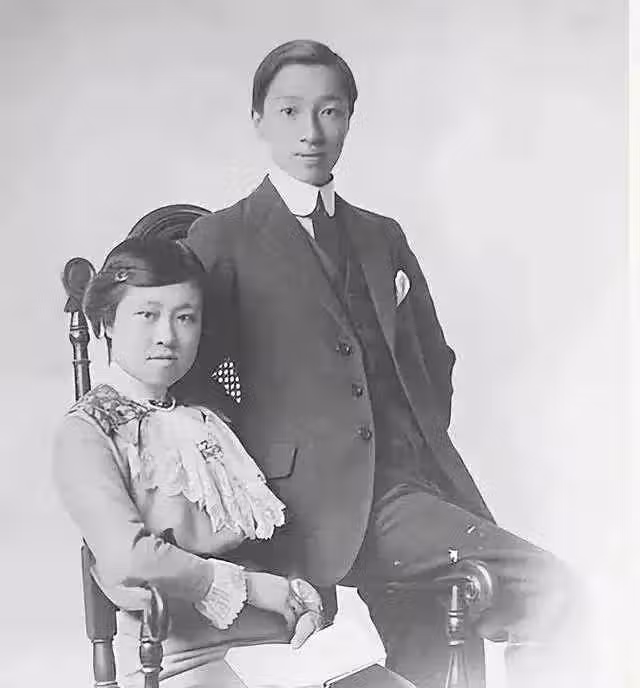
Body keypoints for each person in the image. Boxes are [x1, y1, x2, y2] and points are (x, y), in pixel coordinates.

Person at [182, 40, 588, 688]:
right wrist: (278, 467)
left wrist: (414, 438)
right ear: (258, 120)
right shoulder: (223, 238)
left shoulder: (381, 234)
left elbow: (435, 355)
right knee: (553, 589)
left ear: (350, 118)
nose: (311, 132)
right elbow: (198, 385)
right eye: (289, 111)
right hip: (312, 503)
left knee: (434, 655)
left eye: (330, 111)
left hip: (416, 484)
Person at [53, 237, 324, 688]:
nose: (167, 336)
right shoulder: (88, 431)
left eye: (185, 317)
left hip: (278, 647)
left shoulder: (210, 421)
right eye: (147, 315)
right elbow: (129, 558)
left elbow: (272, 536)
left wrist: (298, 596)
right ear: (108, 323)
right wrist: (253, 587)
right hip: (176, 656)